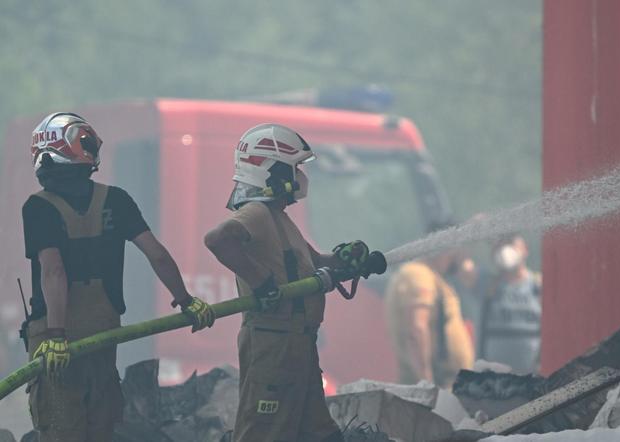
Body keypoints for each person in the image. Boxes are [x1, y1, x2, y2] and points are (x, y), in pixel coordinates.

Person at [22, 112, 216, 442]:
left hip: (55, 345)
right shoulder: (116, 200)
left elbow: (53, 271)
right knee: (102, 427)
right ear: (71, 147)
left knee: (61, 430)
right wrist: (186, 301)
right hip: (103, 333)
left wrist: (55, 335)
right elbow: (158, 254)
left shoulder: (37, 208)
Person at [205, 123, 371, 442]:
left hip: (298, 343)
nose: (300, 179)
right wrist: (262, 283)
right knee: (264, 433)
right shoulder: (256, 212)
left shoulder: (279, 218)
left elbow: (315, 265)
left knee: (319, 434)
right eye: (294, 169)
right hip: (273, 344)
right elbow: (217, 239)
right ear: (270, 170)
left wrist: (348, 259)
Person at [385, 238, 475, 389]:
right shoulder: (418, 275)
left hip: (445, 386)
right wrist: (426, 383)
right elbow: (417, 329)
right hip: (433, 386)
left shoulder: (431, 277)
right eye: (461, 253)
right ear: (450, 249)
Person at [480, 235, 542, 374]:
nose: (505, 250)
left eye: (511, 243)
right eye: (501, 245)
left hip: (532, 378)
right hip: (494, 381)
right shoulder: (487, 284)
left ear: (525, 249)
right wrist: (483, 231)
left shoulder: (539, 285)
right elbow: (462, 266)